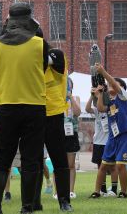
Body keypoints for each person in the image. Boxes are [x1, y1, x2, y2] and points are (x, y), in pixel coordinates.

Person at [0, 2, 50, 214]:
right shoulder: (40, 44)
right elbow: (42, 68)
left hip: (7, 105)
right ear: (29, 19)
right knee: (31, 159)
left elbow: (2, 35)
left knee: (1, 159)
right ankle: (27, 207)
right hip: (34, 105)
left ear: (9, 20)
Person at [35, 47, 73, 212]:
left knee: (59, 160)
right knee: (33, 161)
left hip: (54, 114)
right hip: (34, 113)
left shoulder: (55, 55)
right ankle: (33, 201)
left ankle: (64, 201)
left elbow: (50, 61)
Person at [91, 63, 127, 199]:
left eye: (115, 84)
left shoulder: (123, 96)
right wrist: (99, 94)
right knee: (103, 166)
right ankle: (97, 192)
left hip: (125, 135)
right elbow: (101, 108)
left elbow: (114, 84)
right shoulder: (110, 101)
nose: (111, 86)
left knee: (120, 165)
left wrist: (103, 72)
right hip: (112, 137)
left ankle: (124, 192)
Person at [86, 88, 118, 197]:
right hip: (98, 142)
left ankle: (114, 189)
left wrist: (102, 94)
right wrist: (91, 96)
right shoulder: (96, 111)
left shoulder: (111, 108)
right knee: (100, 166)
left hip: (109, 141)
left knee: (112, 166)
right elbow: (87, 109)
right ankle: (103, 189)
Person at [64, 77, 81, 199]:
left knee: (71, 164)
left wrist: (70, 97)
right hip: (58, 132)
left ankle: (70, 190)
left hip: (71, 133)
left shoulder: (75, 98)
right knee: (58, 164)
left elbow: (78, 112)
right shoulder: (56, 99)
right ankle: (57, 191)